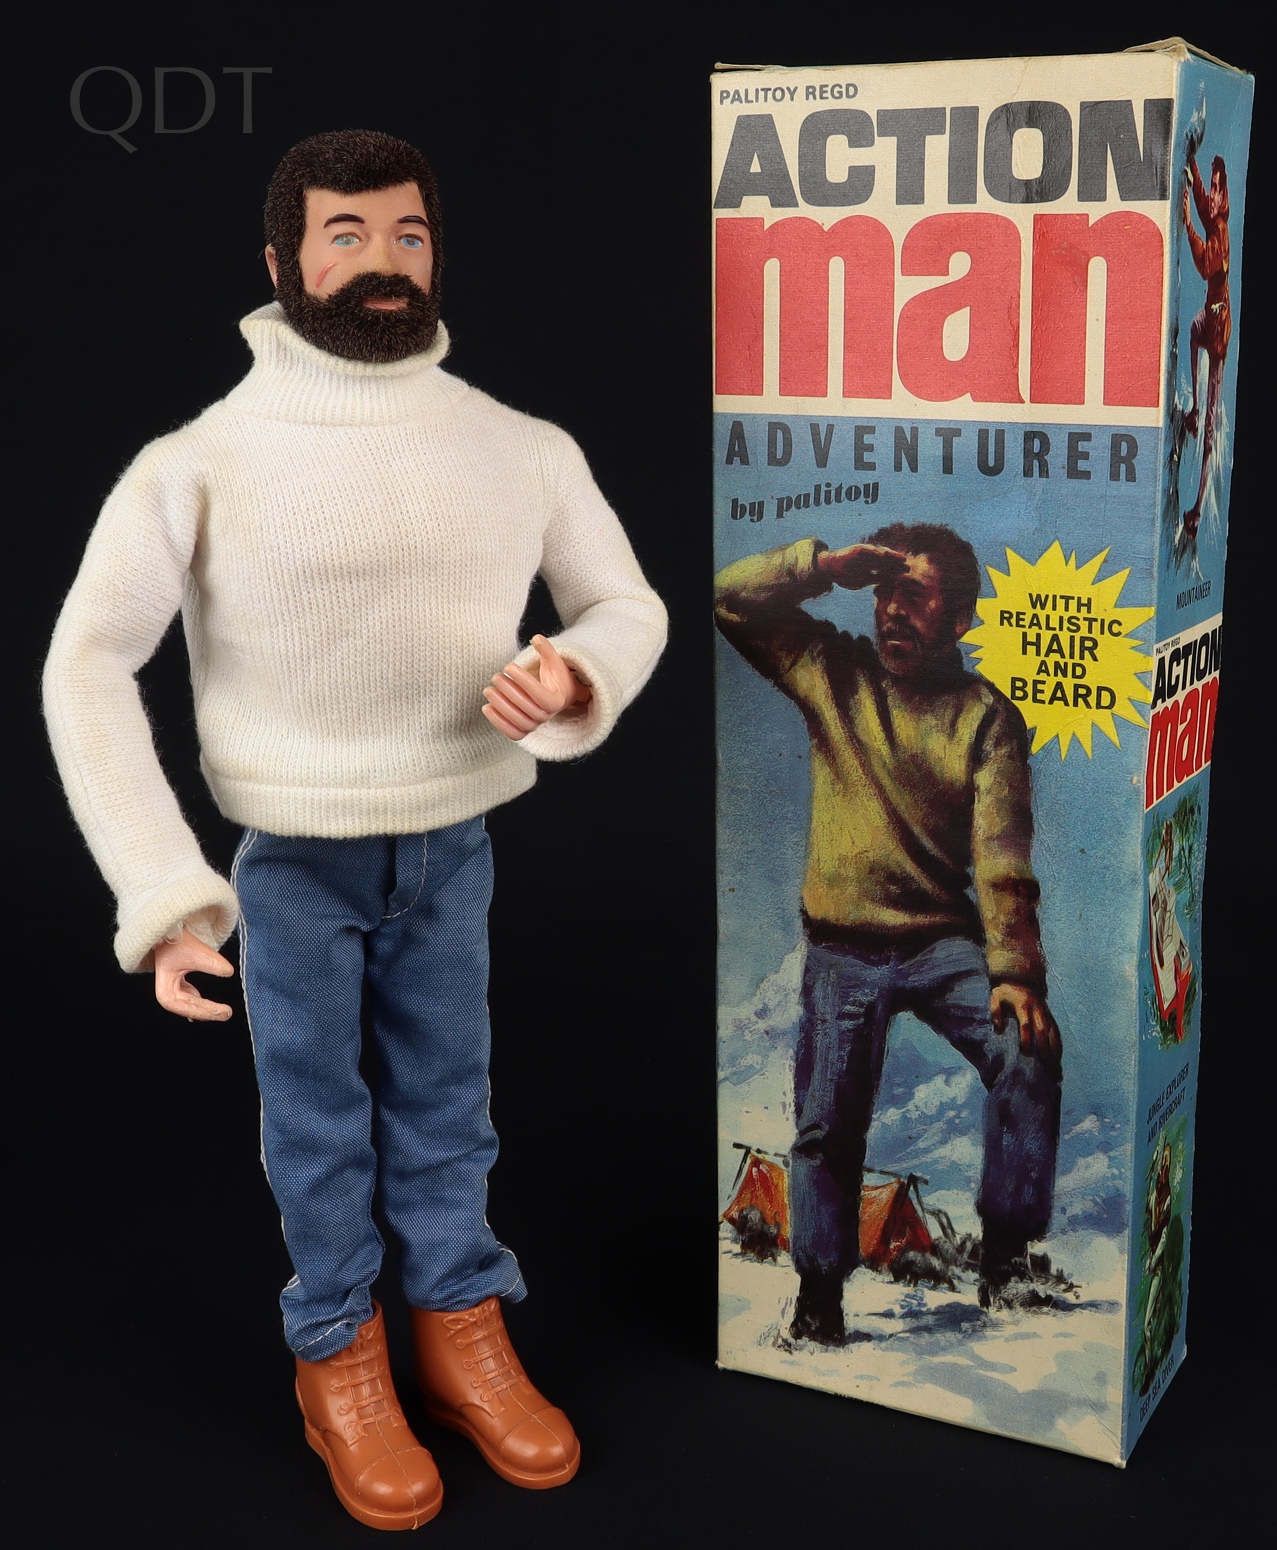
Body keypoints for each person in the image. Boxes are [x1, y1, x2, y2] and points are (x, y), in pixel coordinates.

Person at [43, 130, 666, 1530]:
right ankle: (337, 1347)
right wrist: (162, 887)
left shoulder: (520, 446)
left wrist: (575, 674)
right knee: (318, 1119)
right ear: (280, 261)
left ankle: (458, 1318)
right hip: (292, 862)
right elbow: (86, 661)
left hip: (456, 846)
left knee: (450, 1101)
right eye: (347, 234)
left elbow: (626, 603)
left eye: (408, 234)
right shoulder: (199, 462)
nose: (384, 261)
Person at [714, 524, 1061, 1343]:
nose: (892, 612)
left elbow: (1002, 857)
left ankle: (1005, 1258)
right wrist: (821, 566)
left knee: (1027, 1050)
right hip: (841, 947)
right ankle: (818, 1297)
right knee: (825, 1126)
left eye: (915, 596)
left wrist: (1015, 974)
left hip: (942, 946)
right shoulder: (831, 670)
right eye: (883, 593)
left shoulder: (986, 719)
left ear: (959, 619)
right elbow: (728, 599)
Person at [1181, 154, 1231, 540]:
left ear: (1223, 195)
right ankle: (1195, 411)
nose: (1211, 195)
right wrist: (1193, 167)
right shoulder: (1214, 217)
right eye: (1211, 188)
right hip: (1210, 313)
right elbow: (1201, 204)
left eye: (1216, 188)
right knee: (1191, 331)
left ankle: (1197, 509)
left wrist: (1186, 223)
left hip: (1220, 328)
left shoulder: (1222, 230)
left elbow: (1204, 263)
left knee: (1212, 429)